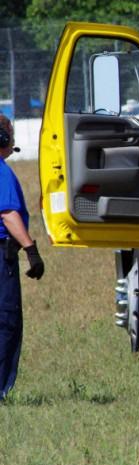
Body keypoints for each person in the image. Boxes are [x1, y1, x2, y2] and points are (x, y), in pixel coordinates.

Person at [0, 115, 45, 401]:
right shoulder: (1, 171)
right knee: (6, 321)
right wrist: (30, 249)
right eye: (9, 134)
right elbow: (7, 213)